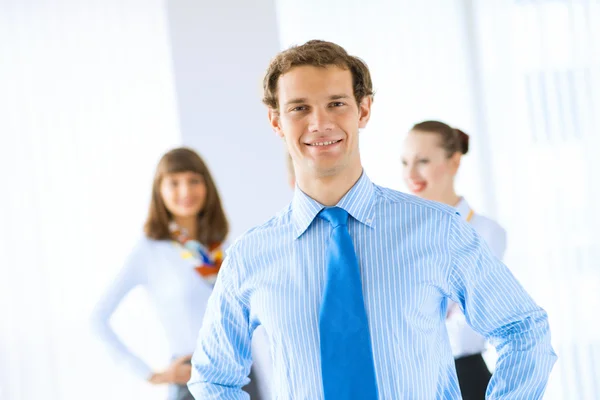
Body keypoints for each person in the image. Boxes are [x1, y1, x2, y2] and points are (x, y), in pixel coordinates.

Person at [188, 40, 556, 399]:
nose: (319, 123)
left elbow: (523, 331)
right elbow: (212, 379)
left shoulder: (439, 229)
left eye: (336, 104)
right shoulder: (249, 255)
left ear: (363, 110)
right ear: (276, 121)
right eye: (299, 108)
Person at [90, 147, 259, 400]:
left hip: (241, 375)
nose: (185, 191)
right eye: (174, 183)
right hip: (193, 379)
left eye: (194, 181)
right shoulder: (149, 249)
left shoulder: (221, 246)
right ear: (160, 190)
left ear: (207, 186)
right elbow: (97, 319)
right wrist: (152, 374)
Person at [401, 120, 506, 399]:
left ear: (454, 162)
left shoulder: (485, 233)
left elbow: (468, 333)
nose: (410, 173)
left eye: (422, 161)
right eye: (404, 162)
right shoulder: (401, 236)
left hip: (464, 381)